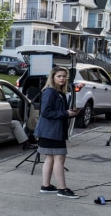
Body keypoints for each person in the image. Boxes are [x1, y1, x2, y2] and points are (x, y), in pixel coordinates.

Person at [33, 66, 80, 198]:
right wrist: (66, 113)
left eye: (64, 76)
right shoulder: (50, 92)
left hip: (53, 131)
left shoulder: (59, 92)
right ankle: (62, 189)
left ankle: (46, 186)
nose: (62, 79)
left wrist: (72, 113)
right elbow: (45, 112)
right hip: (51, 131)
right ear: (53, 77)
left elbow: (59, 112)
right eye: (59, 76)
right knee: (59, 158)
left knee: (50, 158)